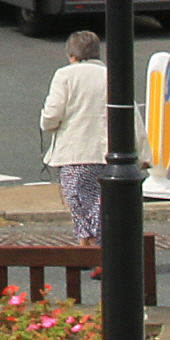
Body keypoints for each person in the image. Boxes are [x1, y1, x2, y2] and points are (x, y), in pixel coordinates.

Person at [40, 30, 111, 254]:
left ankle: (95, 250)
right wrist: (144, 154)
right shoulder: (110, 74)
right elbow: (131, 115)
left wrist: (46, 123)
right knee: (97, 200)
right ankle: (88, 248)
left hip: (76, 151)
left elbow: (52, 114)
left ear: (72, 55)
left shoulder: (65, 75)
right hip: (108, 151)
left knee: (78, 201)